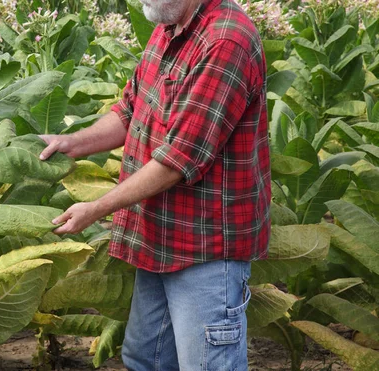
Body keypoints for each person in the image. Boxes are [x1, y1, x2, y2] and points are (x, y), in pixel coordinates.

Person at [39, 0, 270, 368]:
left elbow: (179, 159)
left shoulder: (225, 41)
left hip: (205, 249)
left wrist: (96, 208)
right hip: (160, 241)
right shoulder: (170, 28)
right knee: (147, 358)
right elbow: (131, 109)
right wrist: (73, 143)